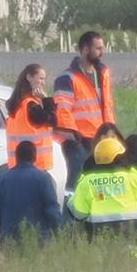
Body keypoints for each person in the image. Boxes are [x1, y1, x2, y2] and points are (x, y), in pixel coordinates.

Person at [53, 31, 117, 192]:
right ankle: (70, 216)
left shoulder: (103, 73)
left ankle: (91, 216)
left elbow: (107, 106)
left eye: (103, 48)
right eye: (98, 48)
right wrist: (75, 137)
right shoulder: (67, 78)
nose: (102, 52)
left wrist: (110, 131)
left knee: (98, 184)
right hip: (78, 143)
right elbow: (63, 111)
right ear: (85, 49)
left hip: (101, 138)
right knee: (76, 184)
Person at [69, 137, 137, 240]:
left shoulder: (87, 181)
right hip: (130, 241)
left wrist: (72, 198)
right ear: (119, 156)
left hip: (99, 244)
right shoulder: (131, 178)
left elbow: (78, 214)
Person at [0, 141, 64, 248]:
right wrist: (61, 231)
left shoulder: (2, 179)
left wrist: (0, 235)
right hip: (37, 240)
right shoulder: (43, 178)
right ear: (35, 157)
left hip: (9, 240)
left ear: (16, 157)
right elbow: (51, 210)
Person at [4, 64, 58, 173]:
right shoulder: (31, 105)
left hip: (16, 165)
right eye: (41, 78)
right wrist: (46, 100)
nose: (43, 82)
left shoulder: (17, 104)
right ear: (29, 78)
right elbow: (53, 120)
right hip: (36, 165)